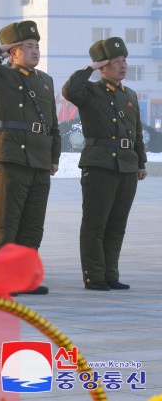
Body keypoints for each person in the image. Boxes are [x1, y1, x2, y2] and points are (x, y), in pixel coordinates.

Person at [0, 20, 59, 295]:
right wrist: (0, 50)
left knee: (32, 224)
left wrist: (54, 156)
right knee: (6, 222)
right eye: (28, 46)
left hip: (40, 158)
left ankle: (24, 278)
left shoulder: (44, 80)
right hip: (10, 155)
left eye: (37, 46)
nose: (35, 51)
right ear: (13, 52)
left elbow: (52, 122)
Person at [61, 37, 147, 291]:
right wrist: (90, 67)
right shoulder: (90, 91)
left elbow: (137, 133)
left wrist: (141, 162)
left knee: (117, 223)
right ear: (103, 67)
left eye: (124, 61)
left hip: (127, 166)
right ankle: (94, 275)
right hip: (99, 165)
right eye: (116, 62)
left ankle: (111, 272)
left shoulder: (129, 95)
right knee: (96, 222)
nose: (123, 66)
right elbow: (69, 90)